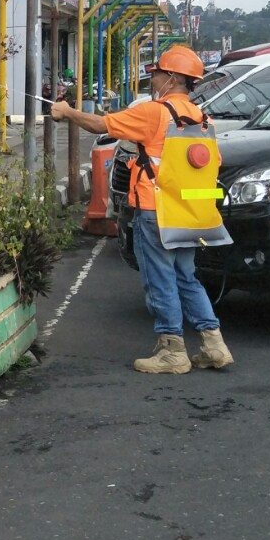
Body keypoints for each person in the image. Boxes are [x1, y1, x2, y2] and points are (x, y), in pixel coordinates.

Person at [50, 45, 234, 374]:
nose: (155, 80)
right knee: (187, 279)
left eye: (158, 74)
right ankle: (213, 344)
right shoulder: (204, 121)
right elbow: (208, 165)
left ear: (173, 77)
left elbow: (99, 124)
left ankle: (172, 351)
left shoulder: (155, 113)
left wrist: (66, 112)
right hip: (191, 214)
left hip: (155, 211)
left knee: (160, 280)